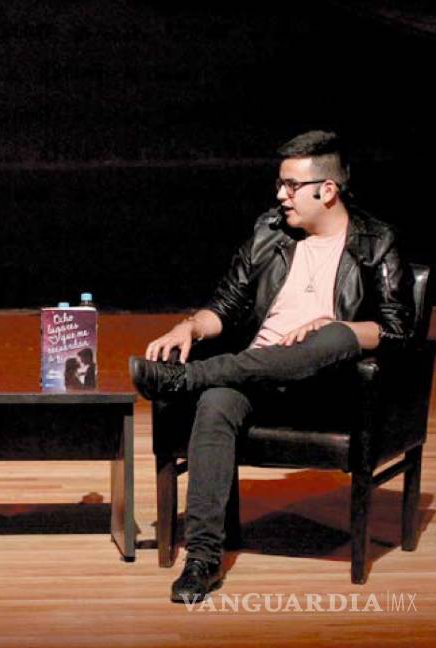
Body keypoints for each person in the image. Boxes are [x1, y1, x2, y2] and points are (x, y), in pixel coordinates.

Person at [129, 130, 414, 603]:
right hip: (255, 377)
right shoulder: (271, 232)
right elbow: (226, 305)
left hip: (329, 386)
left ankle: (188, 379)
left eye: (291, 185)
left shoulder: (375, 241)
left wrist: (339, 326)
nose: (280, 195)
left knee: (334, 335)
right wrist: (189, 328)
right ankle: (202, 559)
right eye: (280, 184)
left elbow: (399, 331)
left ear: (327, 190)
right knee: (216, 403)